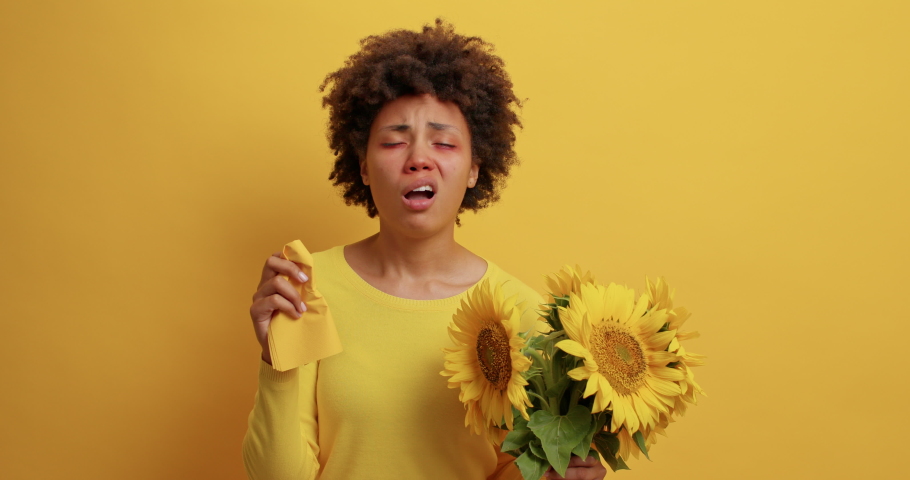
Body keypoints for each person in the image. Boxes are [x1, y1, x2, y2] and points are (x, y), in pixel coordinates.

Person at [241, 20, 607, 480]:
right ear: (364, 167)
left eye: (444, 142)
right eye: (394, 140)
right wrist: (276, 359)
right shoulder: (306, 289)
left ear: (475, 168)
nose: (418, 157)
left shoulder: (527, 316)